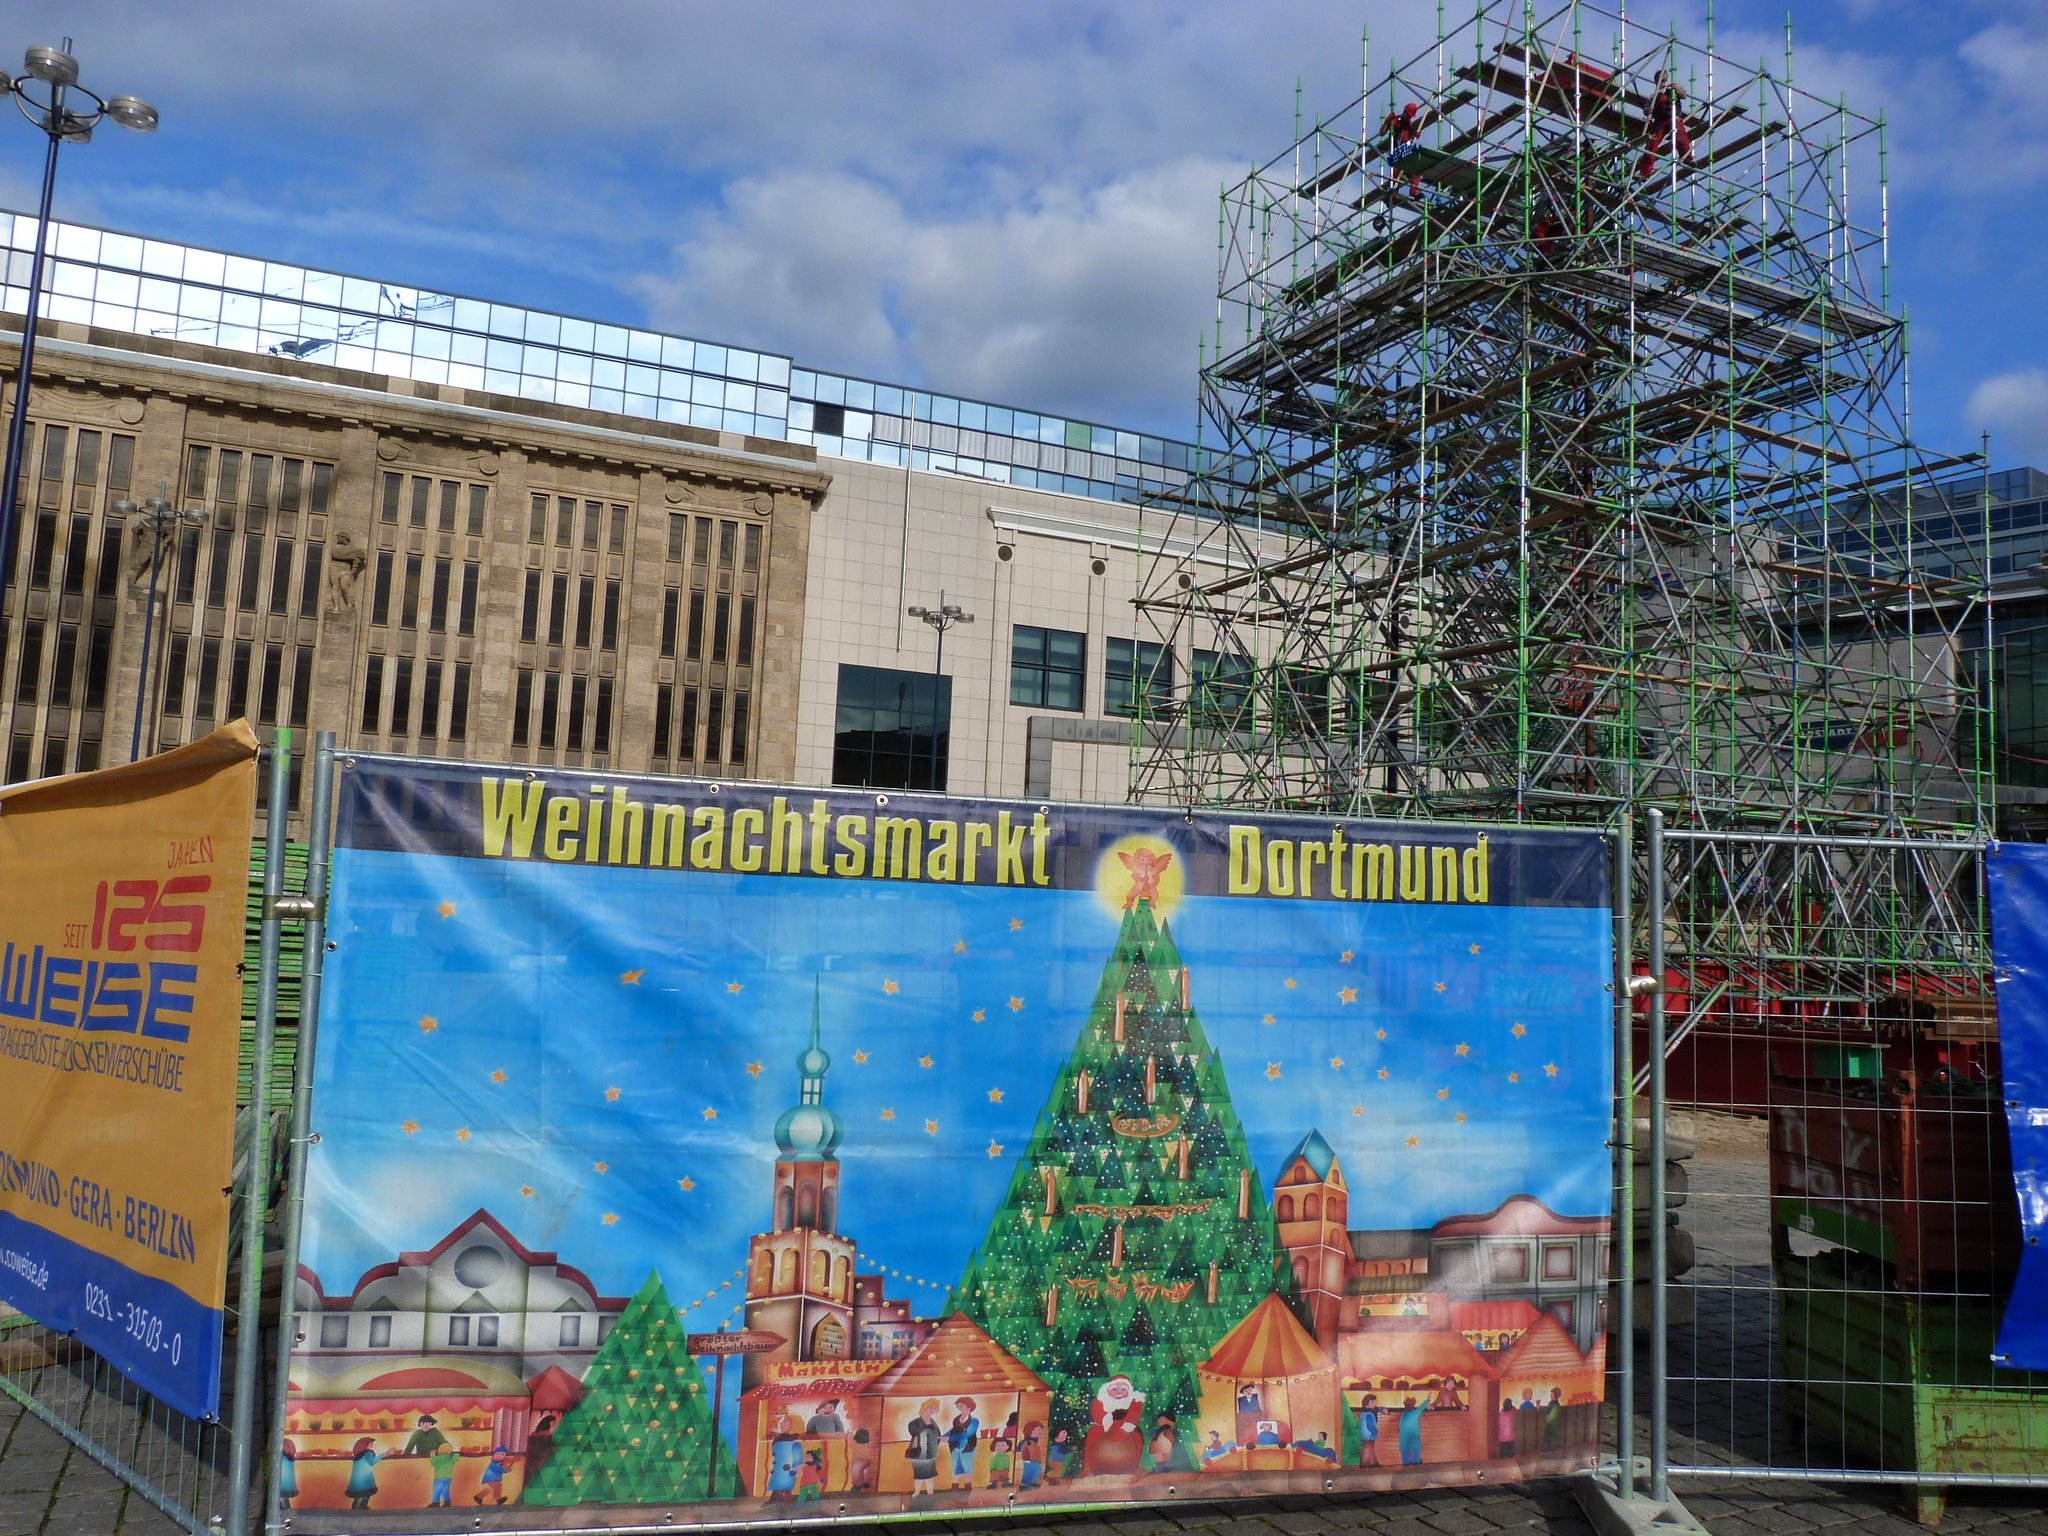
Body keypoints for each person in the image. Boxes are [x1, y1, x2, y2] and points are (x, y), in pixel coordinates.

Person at [1637, 69, 1693, 178]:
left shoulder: (1672, 88)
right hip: (1660, 122)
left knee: (1681, 139)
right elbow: (1646, 109)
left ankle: (1688, 159)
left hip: (1673, 118)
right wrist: (1649, 110)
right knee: (1651, 146)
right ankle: (1645, 172)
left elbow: (1683, 95)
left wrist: (1675, 89)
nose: (1662, 82)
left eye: (1663, 80)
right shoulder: (1654, 96)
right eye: (1659, 80)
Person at [905, 1400, 944, 1496]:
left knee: (930, 1476)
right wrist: (925, 1427)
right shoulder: (915, 1422)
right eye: (931, 1407)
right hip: (918, 1454)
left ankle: (930, 1493)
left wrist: (937, 1442)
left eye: (935, 1408)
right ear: (924, 1407)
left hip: (931, 1454)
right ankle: (917, 1492)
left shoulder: (934, 1422)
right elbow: (913, 1431)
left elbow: (938, 1435)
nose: (933, 1410)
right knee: (918, 1475)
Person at [945, 1396, 981, 1489]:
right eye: (958, 1406)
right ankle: (954, 1490)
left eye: (961, 1406)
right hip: (955, 1448)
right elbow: (953, 1430)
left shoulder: (974, 1421)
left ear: (969, 1407)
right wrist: (944, 1436)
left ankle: (967, 1489)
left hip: (968, 1447)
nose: (959, 1408)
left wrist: (950, 1438)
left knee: (967, 1469)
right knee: (955, 1469)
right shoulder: (956, 1419)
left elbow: (968, 1433)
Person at [767, 1419, 803, 1502]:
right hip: (781, 1464)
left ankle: (785, 1494)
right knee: (780, 1480)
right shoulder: (779, 1438)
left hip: (787, 1464)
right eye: (784, 1423)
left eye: (787, 1423)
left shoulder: (791, 1441)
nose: (784, 1425)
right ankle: (777, 1495)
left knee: (787, 1480)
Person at [345, 1437, 381, 1512]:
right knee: (364, 1497)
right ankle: (361, 1512)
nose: (372, 1446)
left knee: (358, 1498)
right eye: (370, 1444)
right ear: (365, 1445)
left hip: (357, 1480)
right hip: (365, 1480)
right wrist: (383, 1454)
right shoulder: (368, 1453)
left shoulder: (358, 1455)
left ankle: (355, 1514)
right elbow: (372, 1462)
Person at [1397, 1397, 1431, 1467]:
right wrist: (1428, 1399)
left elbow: (1399, 1426)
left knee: (1405, 1456)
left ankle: (1406, 1466)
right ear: (1412, 1406)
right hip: (1414, 1437)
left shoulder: (1403, 1415)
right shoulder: (1415, 1413)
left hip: (1403, 1438)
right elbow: (1422, 1407)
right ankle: (1416, 1464)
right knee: (1416, 1452)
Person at [428, 1443, 459, 1509]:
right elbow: (457, 1456)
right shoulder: (450, 1458)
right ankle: (447, 1502)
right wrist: (453, 1453)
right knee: (445, 1490)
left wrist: (432, 1455)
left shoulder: (438, 1458)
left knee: (437, 1490)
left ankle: (435, 1503)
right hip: (448, 1477)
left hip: (439, 1477)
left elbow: (432, 1462)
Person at [1018, 1423, 1045, 1489]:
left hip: (1036, 1462)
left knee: (1036, 1471)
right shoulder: (1026, 1442)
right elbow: (1020, 1451)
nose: (1040, 1432)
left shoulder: (1035, 1442)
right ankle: (1025, 1485)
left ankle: (1033, 1483)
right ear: (1030, 1430)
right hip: (1029, 1462)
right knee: (1029, 1472)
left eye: (1040, 1430)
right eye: (1038, 1430)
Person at [1357, 1393, 1381, 1467]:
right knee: (1367, 1449)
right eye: (1372, 1402)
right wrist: (1375, 1432)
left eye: (1374, 1402)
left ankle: (1373, 1462)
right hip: (1368, 1435)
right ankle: (1365, 1463)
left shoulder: (1364, 1412)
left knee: (1370, 1448)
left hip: (1365, 1435)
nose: (1374, 1403)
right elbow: (1370, 1426)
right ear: (1366, 1404)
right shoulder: (1369, 1414)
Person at [850, 1427, 875, 1493]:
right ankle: (865, 1482)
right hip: (867, 1459)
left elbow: (850, 1441)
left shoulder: (853, 1440)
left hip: (860, 1460)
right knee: (865, 1470)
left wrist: (850, 1433)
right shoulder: (866, 1442)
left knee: (856, 1469)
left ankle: (857, 1485)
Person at [278, 1440, 298, 1511]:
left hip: (282, 1483)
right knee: (283, 1499)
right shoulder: (288, 1444)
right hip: (286, 1483)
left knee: (281, 1498)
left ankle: (285, 1514)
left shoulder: (283, 1445)